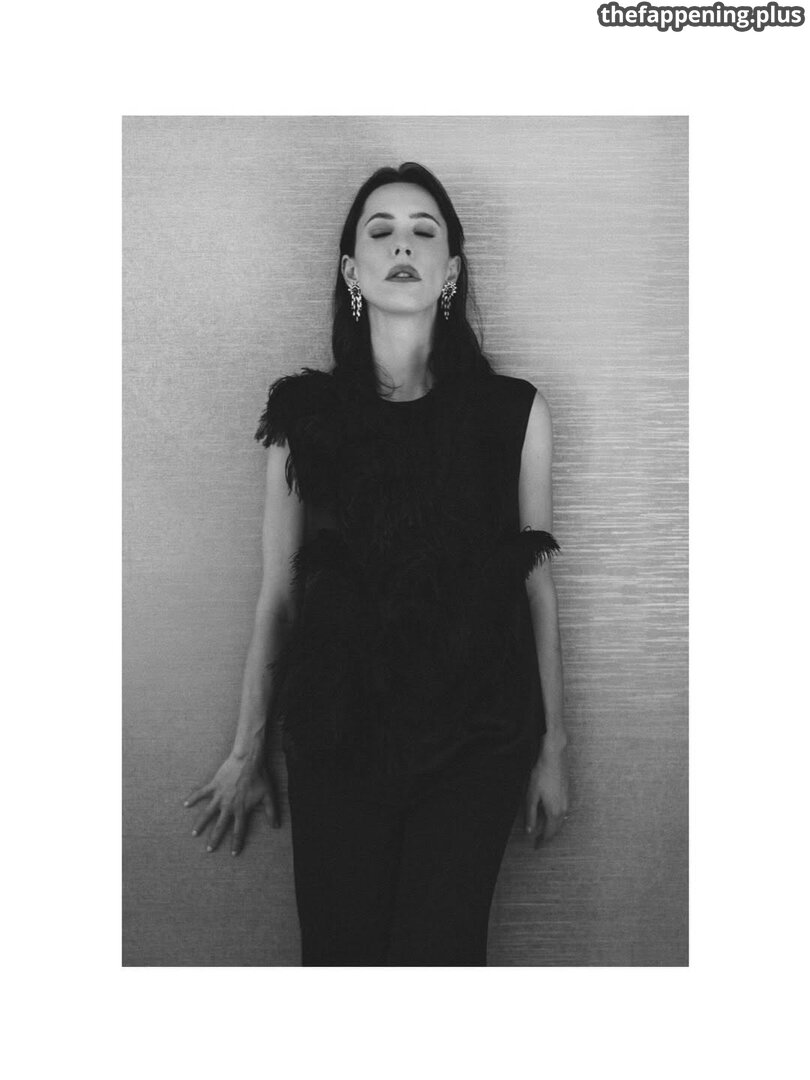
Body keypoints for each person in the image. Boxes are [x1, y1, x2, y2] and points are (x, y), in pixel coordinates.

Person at [184, 162, 569, 966]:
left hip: (479, 737)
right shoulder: (304, 420)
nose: (403, 245)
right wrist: (246, 749)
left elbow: (536, 580)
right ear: (351, 272)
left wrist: (554, 746)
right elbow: (278, 596)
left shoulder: (514, 413)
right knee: (340, 961)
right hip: (339, 736)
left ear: (451, 272)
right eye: (381, 230)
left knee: (441, 959)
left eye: (425, 232)